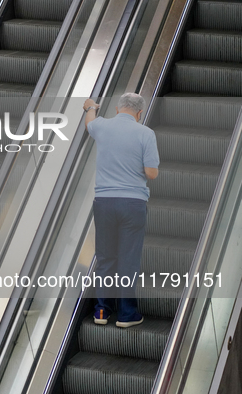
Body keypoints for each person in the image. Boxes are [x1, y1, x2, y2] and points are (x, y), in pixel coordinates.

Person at [83, 93, 159, 328]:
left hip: (104, 202)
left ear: (117, 109)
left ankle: (102, 312)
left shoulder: (102, 126)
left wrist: (90, 107)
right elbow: (151, 173)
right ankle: (127, 315)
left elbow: (90, 123)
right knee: (128, 260)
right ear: (139, 113)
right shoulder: (146, 133)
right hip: (132, 204)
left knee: (105, 258)